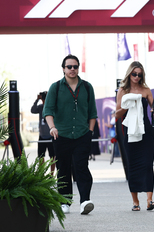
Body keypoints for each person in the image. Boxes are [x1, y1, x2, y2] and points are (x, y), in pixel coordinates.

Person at [43, 54, 97, 215]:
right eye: (69, 67)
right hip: (61, 135)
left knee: (81, 167)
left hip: (82, 135)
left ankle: (85, 200)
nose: (72, 69)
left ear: (78, 68)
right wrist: (52, 127)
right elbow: (48, 110)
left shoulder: (87, 87)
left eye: (75, 66)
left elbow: (92, 113)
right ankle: (64, 201)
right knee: (63, 168)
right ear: (63, 69)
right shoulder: (56, 87)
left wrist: (90, 132)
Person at [115, 61, 154, 211]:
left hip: (145, 129)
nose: (137, 77)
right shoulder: (123, 90)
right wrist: (127, 104)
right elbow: (117, 113)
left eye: (139, 75)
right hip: (129, 131)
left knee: (148, 164)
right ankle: (135, 202)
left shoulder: (146, 90)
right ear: (129, 74)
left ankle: (150, 200)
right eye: (134, 74)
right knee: (132, 165)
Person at [31, 91, 55, 175]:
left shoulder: (52, 107)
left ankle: (51, 175)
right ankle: (42, 174)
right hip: (42, 136)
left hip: (51, 135)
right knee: (41, 156)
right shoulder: (40, 107)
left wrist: (50, 97)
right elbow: (32, 110)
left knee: (53, 156)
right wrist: (37, 99)